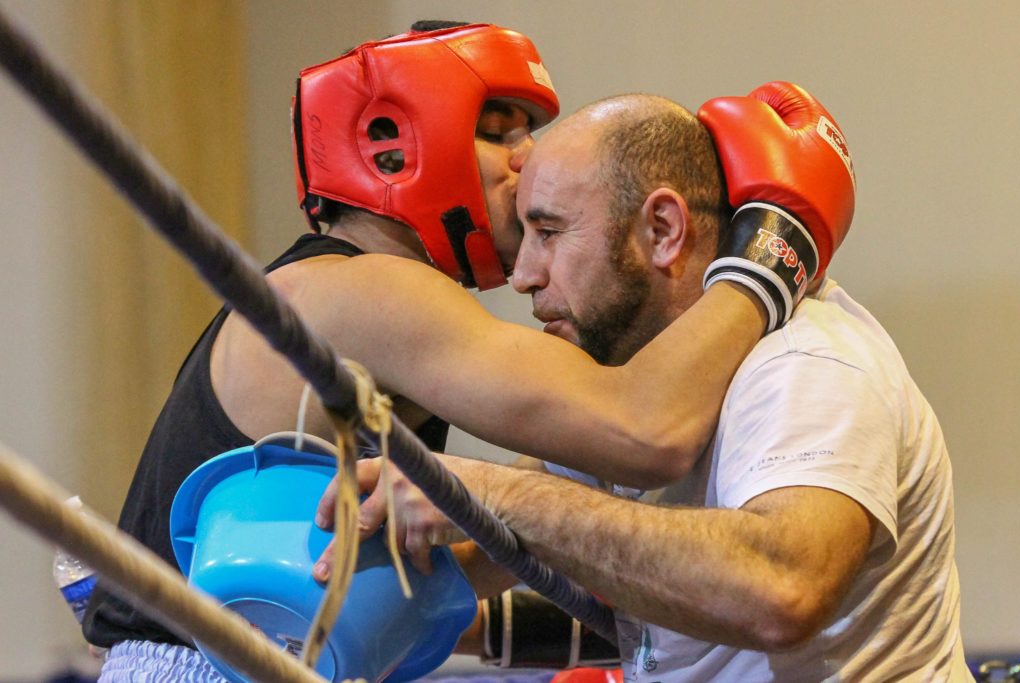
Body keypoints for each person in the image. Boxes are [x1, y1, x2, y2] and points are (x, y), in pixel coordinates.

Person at [81, 21, 801, 678]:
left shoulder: (329, 290)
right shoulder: (365, 292)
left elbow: (454, 536)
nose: (529, 157)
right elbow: (644, 429)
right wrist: (775, 248)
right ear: (390, 144)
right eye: (498, 131)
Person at [350, 91, 971, 680]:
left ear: (663, 230)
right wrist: (327, 581)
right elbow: (489, 551)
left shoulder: (802, 360)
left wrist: (492, 490)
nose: (524, 274)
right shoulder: (643, 382)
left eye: (550, 232)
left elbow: (784, 588)